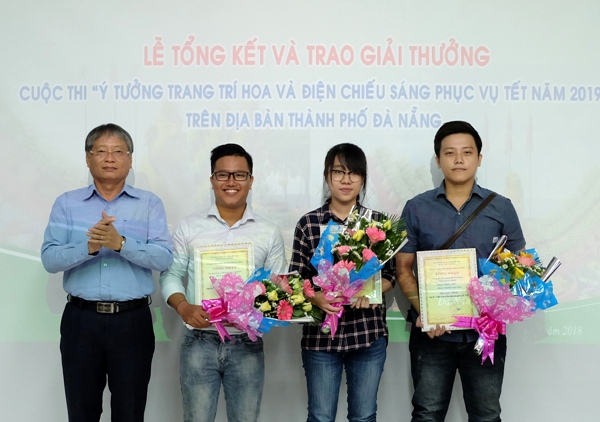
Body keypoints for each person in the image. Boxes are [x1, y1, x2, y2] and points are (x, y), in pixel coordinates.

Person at [41, 123, 173, 422]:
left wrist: (121, 243)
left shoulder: (149, 204)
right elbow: (49, 259)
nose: (109, 157)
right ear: (88, 159)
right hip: (80, 322)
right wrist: (88, 246)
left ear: (130, 159)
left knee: (129, 412)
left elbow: (164, 258)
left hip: (132, 322)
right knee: (82, 412)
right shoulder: (67, 203)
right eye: (100, 151)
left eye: (118, 151)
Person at [396, 121, 526, 422]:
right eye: (450, 153)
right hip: (432, 336)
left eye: (467, 152)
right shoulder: (416, 208)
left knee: (486, 415)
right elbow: (403, 269)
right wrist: (427, 313)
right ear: (438, 159)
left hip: (485, 334)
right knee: (427, 414)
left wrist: (496, 302)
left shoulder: (501, 208)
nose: (458, 159)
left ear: (479, 158)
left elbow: (518, 268)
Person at [159, 143, 287, 422]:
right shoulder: (189, 227)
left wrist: (260, 310)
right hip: (199, 342)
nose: (231, 182)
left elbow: (281, 287)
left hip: (247, 344)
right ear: (212, 180)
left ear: (251, 181)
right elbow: (170, 274)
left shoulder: (268, 232)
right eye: (223, 175)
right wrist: (183, 307)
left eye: (239, 175)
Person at [289, 143, 396, 422]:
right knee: (321, 417)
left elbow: (391, 275)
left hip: (367, 334)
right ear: (327, 177)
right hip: (321, 339)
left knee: (364, 417)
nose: (346, 180)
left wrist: (371, 290)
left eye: (354, 173)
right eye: (338, 172)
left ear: (363, 179)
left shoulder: (378, 223)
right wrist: (316, 298)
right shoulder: (309, 224)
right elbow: (297, 278)